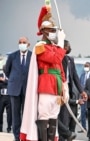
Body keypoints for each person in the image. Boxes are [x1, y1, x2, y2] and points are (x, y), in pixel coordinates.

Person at [20, 5, 69, 141]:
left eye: (54, 30)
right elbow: (55, 58)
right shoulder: (40, 46)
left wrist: (64, 85)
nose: (54, 32)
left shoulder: (54, 47)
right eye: (51, 30)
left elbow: (59, 67)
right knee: (44, 115)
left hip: (56, 86)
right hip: (46, 85)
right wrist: (60, 45)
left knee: (54, 116)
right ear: (43, 31)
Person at [58, 40, 87, 141]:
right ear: (63, 47)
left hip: (69, 91)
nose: (70, 48)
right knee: (63, 120)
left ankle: (67, 136)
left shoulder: (70, 59)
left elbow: (75, 76)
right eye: (68, 46)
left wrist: (82, 91)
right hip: (59, 90)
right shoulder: (57, 58)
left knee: (69, 121)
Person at [5, 36, 32, 141]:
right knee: (15, 114)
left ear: (28, 44)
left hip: (27, 89)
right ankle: (16, 137)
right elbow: (7, 70)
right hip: (14, 89)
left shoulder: (32, 56)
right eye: (20, 42)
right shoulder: (12, 56)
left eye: (24, 42)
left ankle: (24, 136)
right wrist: (14, 79)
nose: (22, 44)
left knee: (26, 114)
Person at [79, 62, 90, 132]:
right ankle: (83, 127)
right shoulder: (82, 75)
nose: (86, 67)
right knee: (82, 111)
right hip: (83, 96)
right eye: (85, 66)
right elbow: (79, 84)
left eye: (87, 66)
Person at [0, 65, 12, 133]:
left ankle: (9, 128)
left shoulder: (10, 75)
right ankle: (0, 127)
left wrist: (3, 80)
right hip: (1, 96)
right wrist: (6, 83)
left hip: (9, 97)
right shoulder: (0, 75)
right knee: (0, 112)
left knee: (9, 114)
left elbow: (11, 83)